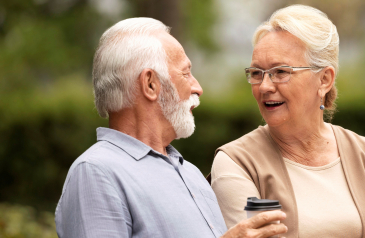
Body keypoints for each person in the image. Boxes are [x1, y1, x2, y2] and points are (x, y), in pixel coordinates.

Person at [210, 5, 365, 238]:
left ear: (324, 80)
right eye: (257, 73)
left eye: (280, 72)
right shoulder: (236, 163)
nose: (265, 86)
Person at [55, 17, 287, 238]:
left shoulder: (191, 173)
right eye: (186, 73)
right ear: (150, 84)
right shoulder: (96, 171)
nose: (198, 87)